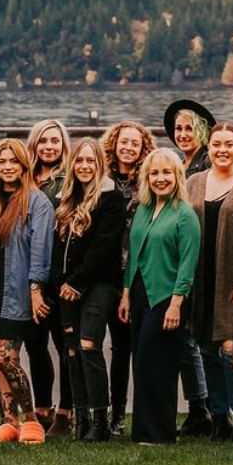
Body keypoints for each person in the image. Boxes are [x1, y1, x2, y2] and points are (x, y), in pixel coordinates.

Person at [0, 139, 55, 445]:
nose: (7, 167)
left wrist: (36, 288)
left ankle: (31, 419)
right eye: (2, 162)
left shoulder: (37, 203)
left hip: (17, 292)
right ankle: (8, 420)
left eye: (13, 162)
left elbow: (40, 249)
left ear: (23, 166)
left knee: (7, 357)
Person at [117, 148, 201, 445]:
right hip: (140, 294)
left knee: (159, 364)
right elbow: (134, 255)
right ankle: (142, 430)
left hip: (168, 297)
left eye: (166, 173)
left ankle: (162, 432)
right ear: (146, 178)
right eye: (154, 173)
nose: (160, 178)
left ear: (177, 176)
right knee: (141, 362)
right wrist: (126, 294)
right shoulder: (142, 210)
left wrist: (177, 303)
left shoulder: (185, 215)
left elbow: (188, 264)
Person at [50, 138, 125, 441]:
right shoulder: (66, 200)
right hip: (66, 287)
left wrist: (77, 282)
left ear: (99, 164)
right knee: (70, 350)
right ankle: (80, 419)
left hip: (98, 285)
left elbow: (103, 248)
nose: (83, 167)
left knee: (89, 345)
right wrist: (59, 283)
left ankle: (100, 420)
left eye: (89, 161)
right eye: (79, 161)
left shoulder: (110, 198)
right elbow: (58, 249)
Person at [184, 122, 233, 441]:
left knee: (230, 350)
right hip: (200, 277)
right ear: (208, 148)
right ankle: (219, 417)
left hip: (231, 276)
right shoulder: (194, 182)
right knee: (206, 349)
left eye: (229, 144)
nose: (222, 150)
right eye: (216, 144)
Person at [100, 119, 157, 435]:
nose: (129, 147)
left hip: (137, 275)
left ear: (143, 148)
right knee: (117, 351)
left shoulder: (148, 182)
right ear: (114, 143)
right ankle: (115, 414)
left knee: (136, 347)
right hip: (105, 273)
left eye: (135, 143)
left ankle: (143, 414)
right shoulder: (102, 178)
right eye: (124, 141)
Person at [163, 100, 215, 435]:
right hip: (179, 255)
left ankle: (203, 407)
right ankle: (201, 406)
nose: (183, 134)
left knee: (193, 337)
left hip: (200, 257)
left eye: (188, 128)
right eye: (178, 129)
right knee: (186, 337)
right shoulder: (180, 164)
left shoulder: (207, 163)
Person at [26, 118, 73, 436]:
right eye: (43, 141)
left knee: (63, 342)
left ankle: (66, 410)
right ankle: (42, 405)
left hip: (59, 272)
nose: (49, 146)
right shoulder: (25, 178)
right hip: (29, 270)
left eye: (55, 141)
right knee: (35, 343)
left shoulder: (69, 180)